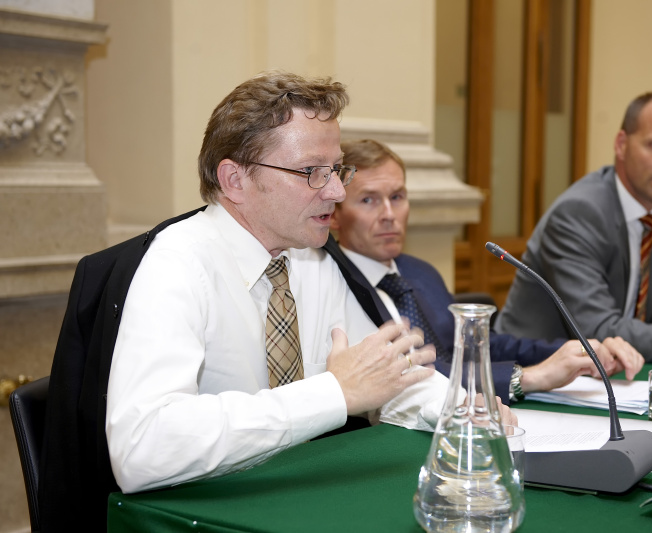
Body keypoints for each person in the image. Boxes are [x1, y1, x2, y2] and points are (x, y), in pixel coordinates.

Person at [104, 72, 459, 495]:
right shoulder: (177, 264)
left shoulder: (312, 259)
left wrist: (463, 411)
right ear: (235, 180)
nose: (336, 192)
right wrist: (331, 394)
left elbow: (382, 376)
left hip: (298, 493)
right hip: (206, 508)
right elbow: (141, 448)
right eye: (311, 171)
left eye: (336, 170)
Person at [329, 138, 644, 404]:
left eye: (397, 197)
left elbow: (481, 346)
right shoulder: (334, 285)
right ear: (333, 215)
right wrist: (528, 378)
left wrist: (579, 353)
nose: (389, 214)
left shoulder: (419, 272)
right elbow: (411, 375)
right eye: (368, 200)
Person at [495, 92, 652, 364]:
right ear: (621, 144)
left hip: (624, 372)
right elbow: (599, 331)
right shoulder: (578, 213)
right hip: (535, 371)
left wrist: (650, 341)